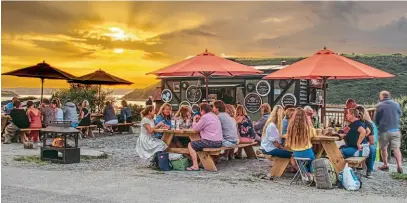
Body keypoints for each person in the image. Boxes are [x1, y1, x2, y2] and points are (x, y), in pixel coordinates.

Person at [187, 103, 223, 171]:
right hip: (219, 142)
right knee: (199, 143)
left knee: (191, 145)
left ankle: (195, 166)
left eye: (200, 110)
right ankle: (201, 163)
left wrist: (194, 120)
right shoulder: (214, 116)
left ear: (202, 110)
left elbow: (195, 128)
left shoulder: (205, 117)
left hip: (211, 142)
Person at [375, 91, 403, 174]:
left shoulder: (379, 106)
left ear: (382, 96)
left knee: (383, 148)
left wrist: (378, 126)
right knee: (396, 148)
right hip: (395, 130)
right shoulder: (396, 104)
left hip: (384, 131)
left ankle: (386, 164)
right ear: (389, 96)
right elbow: (400, 114)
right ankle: (399, 165)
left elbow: (376, 119)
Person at [285, 108, 316, 180]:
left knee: (301, 162)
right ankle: (313, 174)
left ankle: (305, 175)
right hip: (308, 153)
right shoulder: (308, 128)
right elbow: (313, 135)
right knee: (312, 161)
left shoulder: (291, 128)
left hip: (296, 154)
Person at [355, 105, 378, 178]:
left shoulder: (368, 124)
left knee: (372, 149)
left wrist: (364, 144)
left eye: (359, 115)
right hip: (355, 143)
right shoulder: (352, 123)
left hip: (365, 144)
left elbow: (372, 141)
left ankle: (369, 170)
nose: (357, 116)